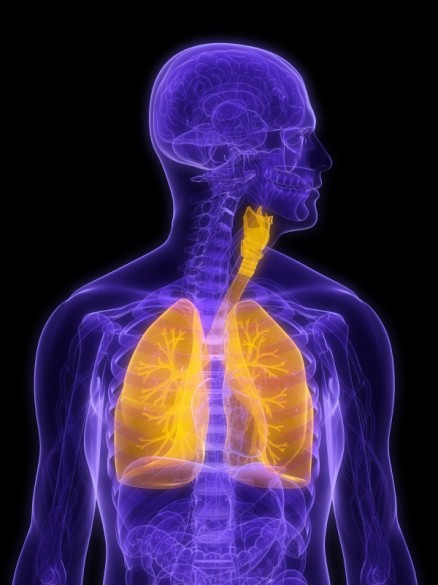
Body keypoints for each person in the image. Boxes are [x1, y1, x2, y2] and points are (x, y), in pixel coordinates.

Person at [14, 43, 417, 585]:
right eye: (296, 138)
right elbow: (53, 549)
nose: (321, 160)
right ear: (227, 148)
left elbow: (376, 546)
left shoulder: (336, 321)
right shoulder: (95, 322)